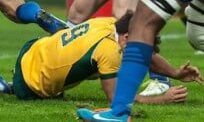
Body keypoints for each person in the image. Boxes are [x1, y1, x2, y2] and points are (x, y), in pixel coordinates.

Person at [12, 13, 201, 102]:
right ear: (127, 37)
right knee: (110, 67)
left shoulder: (112, 23)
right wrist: (162, 99)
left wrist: (176, 73)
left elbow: (147, 56)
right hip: (30, 86)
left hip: (32, 48)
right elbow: (116, 98)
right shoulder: (110, 51)